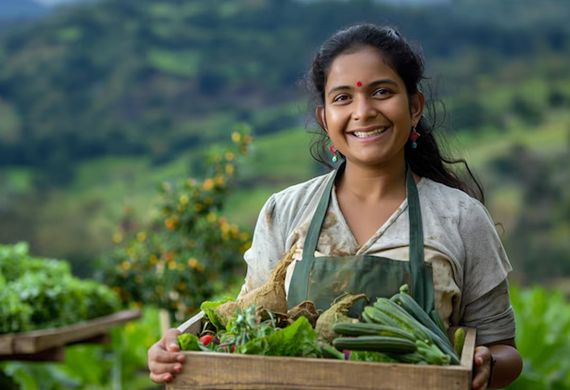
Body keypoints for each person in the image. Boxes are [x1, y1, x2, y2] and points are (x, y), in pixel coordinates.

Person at [147, 23, 523, 389]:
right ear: (325, 119)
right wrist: (177, 349)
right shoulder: (286, 210)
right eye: (343, 97)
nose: (363, 111)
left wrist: (486, 365)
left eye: (381, 92)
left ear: (415, 107)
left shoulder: (460, 218)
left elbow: (503, 349)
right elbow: (247, 326)